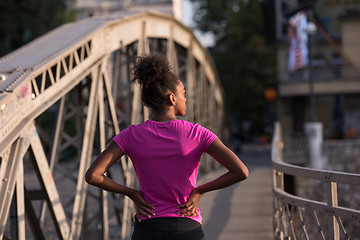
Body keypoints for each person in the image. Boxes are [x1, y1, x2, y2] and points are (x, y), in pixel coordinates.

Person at [85, 55, 249, 240]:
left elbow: (93, 176)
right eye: (183, 94)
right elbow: (241, 171)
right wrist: (199, 191)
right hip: (187, 228)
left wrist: (131, 193)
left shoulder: (130, 135)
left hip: (148, 229)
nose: (185, 99)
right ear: (172, 98)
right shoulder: (197, 133)